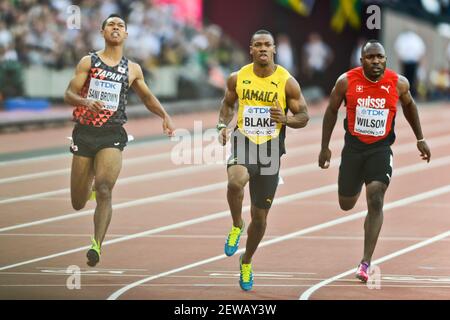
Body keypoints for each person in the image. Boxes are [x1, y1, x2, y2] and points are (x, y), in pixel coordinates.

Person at [64, 14, 175, 267]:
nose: (116, 28)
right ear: (103, 32)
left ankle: (96, 245)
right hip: (84, 132)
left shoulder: (132, 68)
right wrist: (84, 101)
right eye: (111, 25)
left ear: (125, 35)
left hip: (112, 134)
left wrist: (165, 115)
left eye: (120, 26)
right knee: (78, 202)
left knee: (104, 189)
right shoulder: (88, 61)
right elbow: (69, 93)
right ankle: (89, 180)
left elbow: (147, 97)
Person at [318, 40, 431, 283]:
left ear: (385, 59)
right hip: (353, 150)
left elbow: (410, 106)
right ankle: (357, 182)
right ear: (362, 61)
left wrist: (420, 138)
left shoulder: (398, 83)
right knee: (346, 203)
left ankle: (365, 262)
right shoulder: (346, 81)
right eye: (370, 58)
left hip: (380, 149)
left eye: (380, 57)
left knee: (376, 198)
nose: (376, 61)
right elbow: (330, 111)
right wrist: (324, 147)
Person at [217, 30, 309, 291]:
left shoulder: (286, 81)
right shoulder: (238, 77)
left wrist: (286, 120)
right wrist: (221, 125)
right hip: (245, 141)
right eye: (257, 45)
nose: (263, 49)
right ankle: (236, 225)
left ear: (275, 49)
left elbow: (303, 115)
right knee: (235, 182)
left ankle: (246, 261)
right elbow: (227, 104)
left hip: (270, 150)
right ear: (251, 50)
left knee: (260, 218)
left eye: (267, 45)